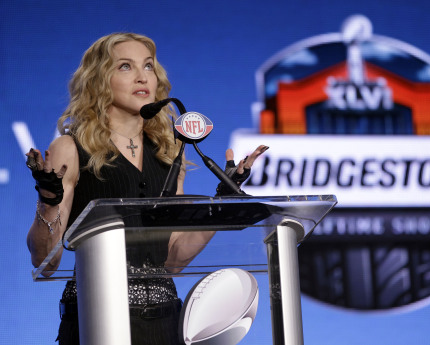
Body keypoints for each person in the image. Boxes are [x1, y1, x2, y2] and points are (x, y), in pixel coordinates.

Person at [25, 32, 268, 345]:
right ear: (100, 80)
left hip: (165, 322)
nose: (142, 76)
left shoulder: (169, 154)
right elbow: (46, 262)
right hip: (96, 318)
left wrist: (224, 199)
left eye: (149, 66)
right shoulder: (70, 149)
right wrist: (48, 199)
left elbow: (174, 260)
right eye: (125, 67)